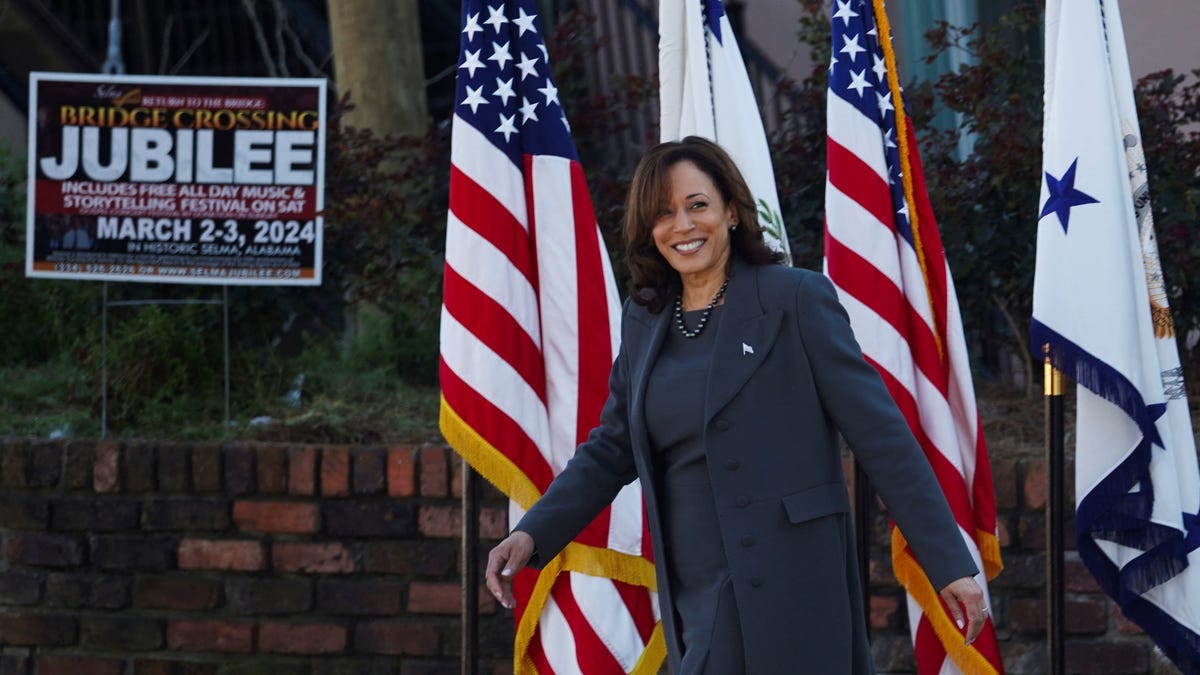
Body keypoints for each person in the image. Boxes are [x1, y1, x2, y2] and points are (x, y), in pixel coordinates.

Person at [486, 136, 988, 673]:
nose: (682, 226)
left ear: (730, 211)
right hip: (693, 587)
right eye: (663, 213)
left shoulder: (795, 299)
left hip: (790, 580)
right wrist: (533, 531)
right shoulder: (645, 318)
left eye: (697, 205)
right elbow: (612, 447)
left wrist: (947, 562)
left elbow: (881, 436)